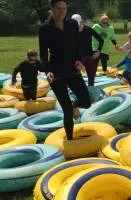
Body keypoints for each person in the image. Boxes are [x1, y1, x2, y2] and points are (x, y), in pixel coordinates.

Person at [39, 0, 91, 140]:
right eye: (58, 8)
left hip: (72, 70)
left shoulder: (72, 24)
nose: (61, 11)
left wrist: (80, 60)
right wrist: (47, 71)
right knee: (67, 110)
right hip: (56, 74)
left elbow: (77, 46)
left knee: (86, 102)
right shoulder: (45, 28)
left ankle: (75, 103)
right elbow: (43, 54)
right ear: (52, 8)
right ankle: (70, 139)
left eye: (64, 8)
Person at [71, 14, 104, 86]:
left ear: (81, 22)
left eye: (77, 24)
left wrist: (98, 51)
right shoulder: (71, 31)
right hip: (77, 57)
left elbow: (101, 40)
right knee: (73, 75)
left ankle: (90, 90)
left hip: (89, 55)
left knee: (91, 76)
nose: (76, 27)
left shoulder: (88, 29)